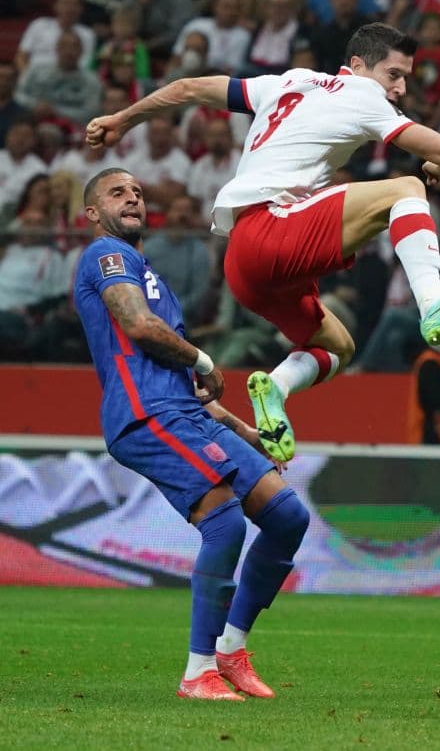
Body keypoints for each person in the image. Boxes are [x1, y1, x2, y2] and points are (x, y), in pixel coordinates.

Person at [85, 22, 440, 464]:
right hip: (274, 233)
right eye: (393, 75)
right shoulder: (363, 95)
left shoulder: (287, 81)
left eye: (405, 79)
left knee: (338, 347)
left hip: (244, 267)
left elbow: (188, 87)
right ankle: (432, 301)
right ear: (357, 66)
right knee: (408, 189)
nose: (398, 89)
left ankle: (275, 389)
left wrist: (122, 119)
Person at [73, 167, 311, 701]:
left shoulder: (143, 266)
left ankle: (230, 647)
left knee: (287, 516)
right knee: (224, 523)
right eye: (117, 193)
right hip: (146, 414)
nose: (132, 197)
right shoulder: (105, 256)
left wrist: (241, 429)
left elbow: (184, 382)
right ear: (92, 214)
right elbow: (137, 326)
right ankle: (197, 673)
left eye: (137, 191)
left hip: (184, 411)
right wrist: (205, 359)